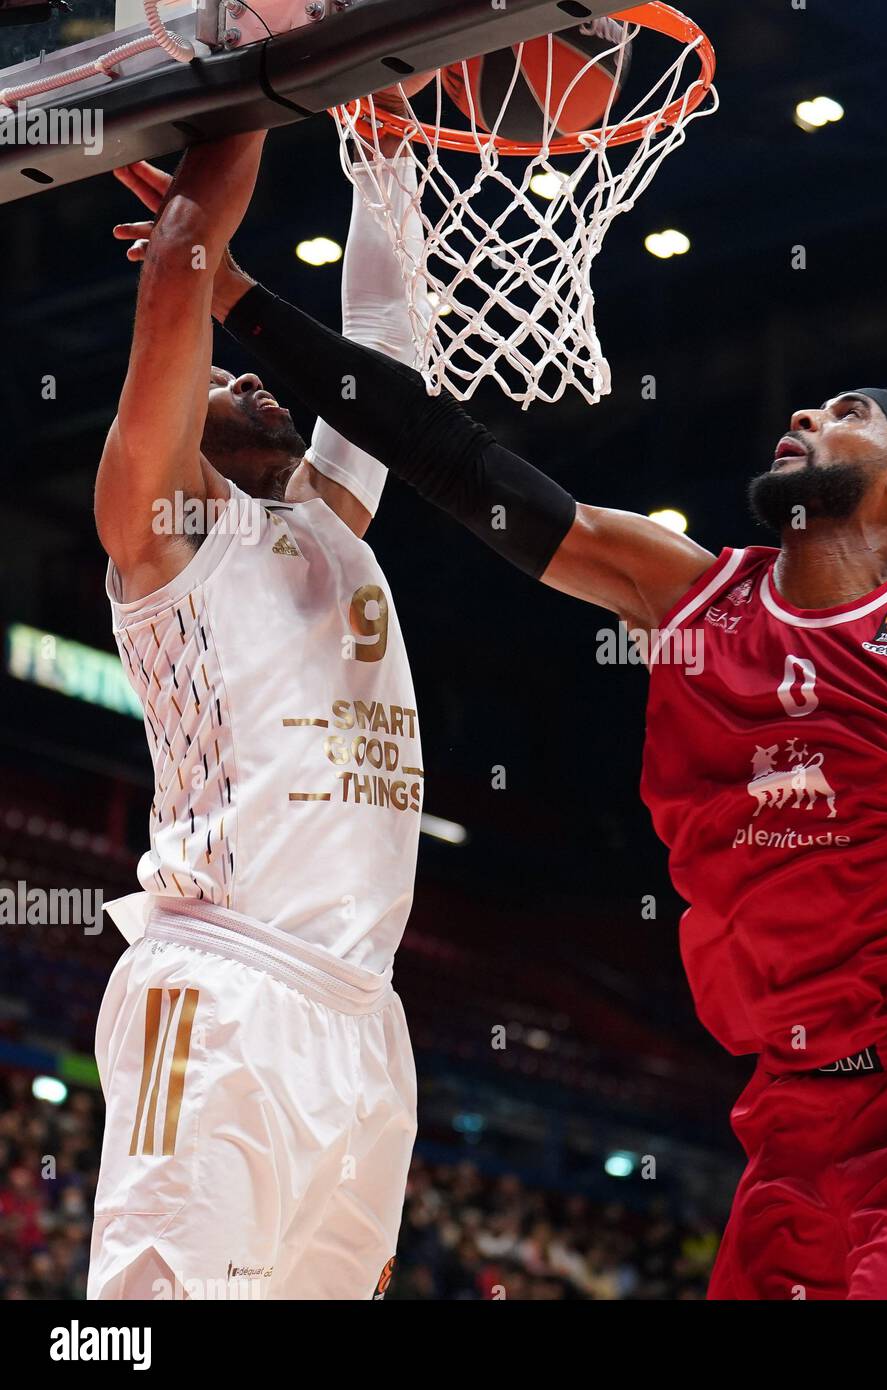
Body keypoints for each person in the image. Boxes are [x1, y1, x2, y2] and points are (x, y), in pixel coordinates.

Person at [129, 132, 887, 1300]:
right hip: (788, 1116)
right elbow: (449, 455)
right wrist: (234, 293)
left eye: (846, 413)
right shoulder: (681, 590)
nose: (803, 411)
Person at [89, 109, 434, 1298]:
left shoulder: (327, 520)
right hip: (225, 985)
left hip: (362, 1014)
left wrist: (379, 133)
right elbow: (175, 279)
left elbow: (386, 340)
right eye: (223, 381)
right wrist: (258, 90)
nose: (252, 373)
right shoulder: (167, 533)